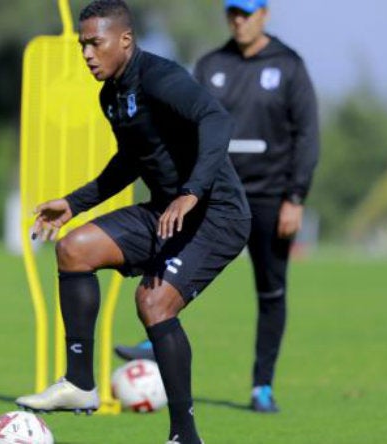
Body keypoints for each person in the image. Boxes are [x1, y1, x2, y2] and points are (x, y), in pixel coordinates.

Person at [14, 1, 251, 442]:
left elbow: (216, 119)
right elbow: (131, 161)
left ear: (124, 40)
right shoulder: (111, 96)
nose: (86, 53)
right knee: (73, 248)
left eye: (94, 43)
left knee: (153, 303)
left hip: (217, 214)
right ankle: (81, 384)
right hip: (167, 210)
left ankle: (185, 435)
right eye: (83, 44)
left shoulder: (161, 78)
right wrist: (74, 202)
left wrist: (192, 191)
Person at [114, 0, 320, 414]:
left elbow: (308, 135)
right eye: (232, 14)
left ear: (264, 15)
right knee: (172, 261)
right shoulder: (211, 64)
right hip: (214, 192)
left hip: (269, 197)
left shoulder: (289, 65)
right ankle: (154, 335)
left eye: (246, 14)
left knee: (271, 289)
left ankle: (262, 385)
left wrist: (295, 197)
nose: (238, 21)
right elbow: (182, 121)